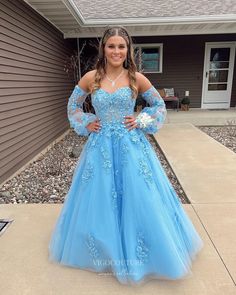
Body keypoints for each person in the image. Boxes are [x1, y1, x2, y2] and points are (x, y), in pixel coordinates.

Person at [48, 26, 204, 286]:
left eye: (122, 46)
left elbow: (159, 105)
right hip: (100, 149)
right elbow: (72, 105)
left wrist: (141, 119)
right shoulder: (91, 78)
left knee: (140, 195)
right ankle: (106, 248)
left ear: (128, 50)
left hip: (131, 146)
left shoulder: (136, 78)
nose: (116, 51)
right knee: (100, 195)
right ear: (104, 49)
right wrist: (87, 121)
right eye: (111, 46)